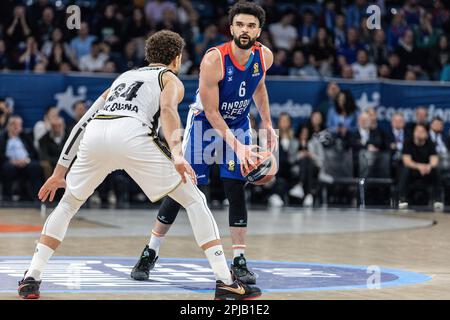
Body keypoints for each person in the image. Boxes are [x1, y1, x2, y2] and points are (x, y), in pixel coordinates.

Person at [18, 30, 261, 301]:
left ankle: (32, 278)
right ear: (177, 59)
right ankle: (225, 281)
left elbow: (83, 121)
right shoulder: (170, 78)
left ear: (148, 56)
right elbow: (168, 112)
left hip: (97, 135)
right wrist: (178, 154)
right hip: (132, 135)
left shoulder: (123, 78)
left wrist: (58, 172)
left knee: (67, 205)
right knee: (194, 200)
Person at [131, 2, 277, 285]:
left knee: (236, 188)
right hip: (204, 125)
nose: (245, 30)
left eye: (251, 26)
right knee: (182, 189)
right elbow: (212, 112)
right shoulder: (214, 59)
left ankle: (239, 260)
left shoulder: (264, 57)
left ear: (259, 30)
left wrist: (267, 123)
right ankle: (150, 251)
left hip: (237, 124)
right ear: (231, 27)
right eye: (240, 25)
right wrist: (239, 147)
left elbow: (259, 86)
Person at [399, 124, 443, 211]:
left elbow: (434, 160)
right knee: (405, 170)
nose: (419, 133)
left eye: (422, 131)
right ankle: (402, 199)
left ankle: (438, 200)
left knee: (436, 170)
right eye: (417, 131)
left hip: (426, 171)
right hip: (413, 170)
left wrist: (429, 166)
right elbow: (407, 161)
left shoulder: (430, 143)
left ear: (426, 134)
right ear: (414, 133)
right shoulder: (408, 143)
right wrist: (419, 166)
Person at [0, 115, 42, 201]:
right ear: (8, 125)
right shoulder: (2, 137)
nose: (16, 127)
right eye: (13, 124)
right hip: (10, 163)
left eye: (19, 125)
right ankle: (7, 196)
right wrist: (12, 161)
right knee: (7, 168)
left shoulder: (25, 136)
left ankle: (35, 196)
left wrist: (27, 160)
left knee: (35, 166)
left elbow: (34, 153)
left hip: (25, 162)